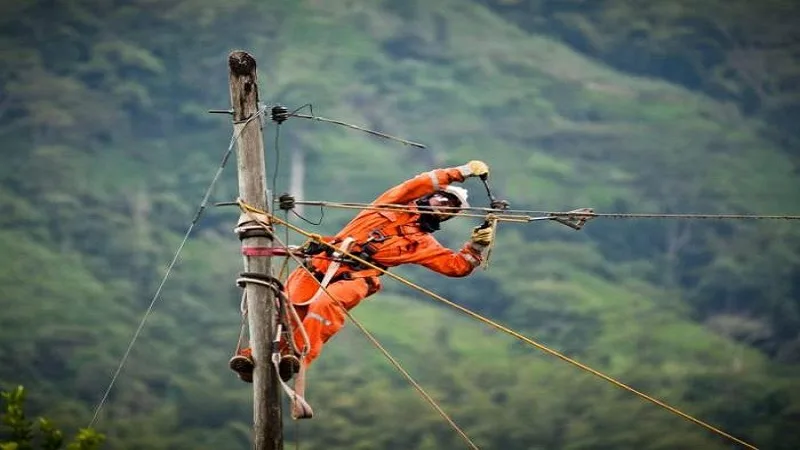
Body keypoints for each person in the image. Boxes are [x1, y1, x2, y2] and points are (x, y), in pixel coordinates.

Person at [229, 160, 494, 384]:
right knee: (287, 311)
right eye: (442, 199)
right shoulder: (391, 204)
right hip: (318, 266)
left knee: (324, 306)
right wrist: (463, 171)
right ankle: (255, 359)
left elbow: (456, 267)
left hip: (356, 278)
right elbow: (420, 182)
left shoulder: (423, 244)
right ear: (429, 196)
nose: (443, 206)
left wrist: (477, 245)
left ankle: (295, 360)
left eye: (450, 209)